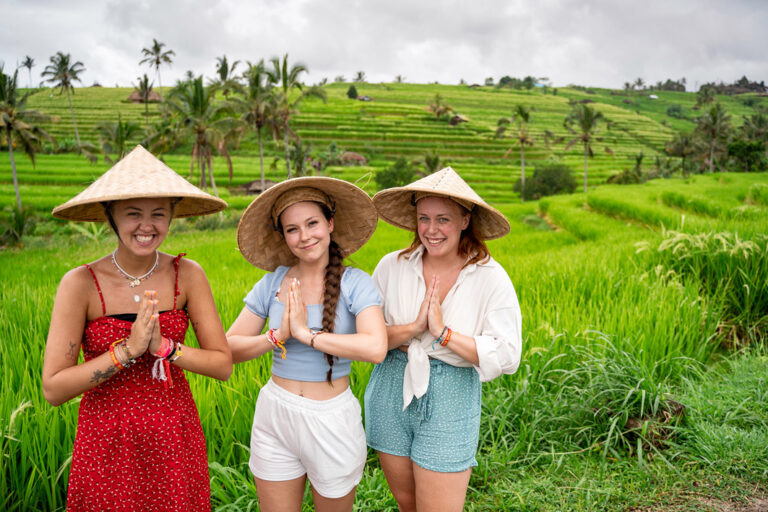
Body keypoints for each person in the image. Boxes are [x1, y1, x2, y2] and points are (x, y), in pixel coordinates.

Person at [42, 145, 233, 511]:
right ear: (110, 215)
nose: (147, 226)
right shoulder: (81, 283)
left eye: (159, 214)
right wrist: (127, 351)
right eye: (133, 214)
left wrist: (166, 349)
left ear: (173, 216)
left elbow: (222, 364)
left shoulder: (188, 275)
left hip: (173, 437)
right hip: (107, 443)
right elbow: (54, 387)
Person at [364, 167, 522, 512]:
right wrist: (412, 328)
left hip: (451, 394)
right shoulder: (392, 266)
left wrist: (443, 333)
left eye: (443, 219)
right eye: (424, 218)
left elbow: (508, 353)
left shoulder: (489, 277)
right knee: (408, 504)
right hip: (391, 385)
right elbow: (367, 339)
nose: (431, 230)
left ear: (466, 220)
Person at [227, 176, 387, 512]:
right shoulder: (272, 282)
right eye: (292, 229)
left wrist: (307, 335)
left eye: (312, 223)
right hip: (275, 413)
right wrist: (276, 337)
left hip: (330, 418)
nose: (305, 236)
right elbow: (229, 349)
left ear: (330, 224)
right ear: (284, 236)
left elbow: (375, 347)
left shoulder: (355, 283)